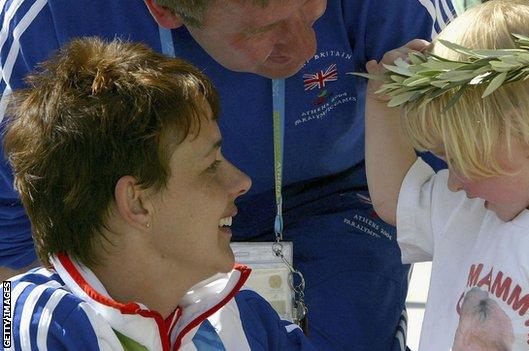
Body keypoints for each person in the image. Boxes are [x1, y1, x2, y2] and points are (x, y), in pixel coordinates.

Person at [0, 0, 455, 349]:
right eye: (263, 28)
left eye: (314, 8)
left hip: (340, 199)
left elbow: (466, 167)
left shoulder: (246, 317)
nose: (307, 49)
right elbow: (17, 227)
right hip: (146, 235)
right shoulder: (32, 320)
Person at [3, 37, 316, 350]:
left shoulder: (247, 321)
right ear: (137, 202)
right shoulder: (31, 323)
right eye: (210, 166)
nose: (242, 182)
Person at [364, 0, 529, 349]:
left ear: (523, 130)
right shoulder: (470, 209)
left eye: (459, 157)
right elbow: (394, 199)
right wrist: (381, 99)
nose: (453, 180)